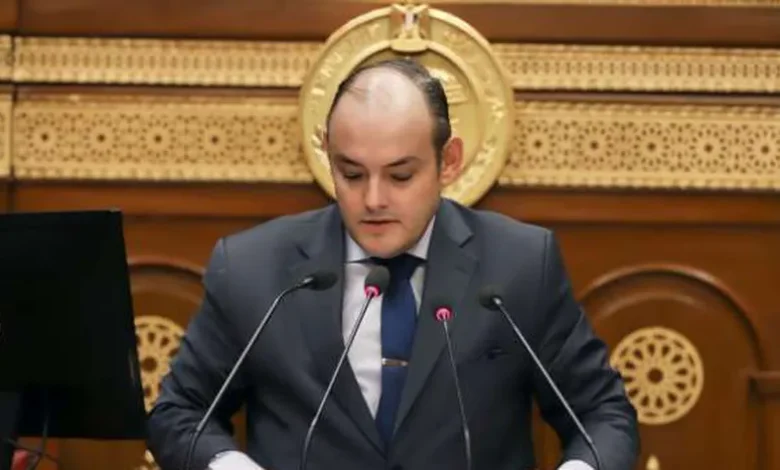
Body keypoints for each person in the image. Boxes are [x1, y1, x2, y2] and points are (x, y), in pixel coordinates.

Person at [147, 58, 639, 470]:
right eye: (351, 173)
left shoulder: (520, 264)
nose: (373, 200)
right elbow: (179, 413)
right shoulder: (253, 268)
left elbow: (602, 414)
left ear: (449, 161)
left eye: (400, 176)